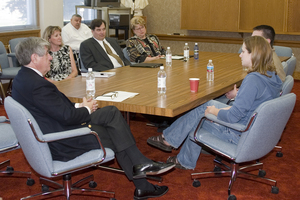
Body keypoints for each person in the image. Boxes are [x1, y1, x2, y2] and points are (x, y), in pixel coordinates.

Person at [12, 37, 175, 199]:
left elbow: (52, 109)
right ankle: (142, 183)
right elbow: (67, 117)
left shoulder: (23, 78)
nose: (50, 56)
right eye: (46, 53)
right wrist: (87, 109)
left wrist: (80, 107)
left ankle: (141, 166)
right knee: (116, 134)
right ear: (34, 58)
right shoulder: (38, 85)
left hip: (55, 126)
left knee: (111, 112)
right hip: (62, 140)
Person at [147, 36, 282, 170]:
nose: (240, 55)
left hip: (239, 131)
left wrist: (214, 111)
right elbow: (262, 95)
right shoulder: (272, 75)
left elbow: (233, 116)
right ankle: (169, 139)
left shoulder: (252, 79)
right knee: (205, 105)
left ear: (254, 54)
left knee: (198, 119)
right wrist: (239, 94)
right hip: (257, 130)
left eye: (243, 51)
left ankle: (180, 156)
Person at [217, 25, 286, 105]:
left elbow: (262, 94)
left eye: (256, 39)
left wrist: (238, 94)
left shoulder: (268, 65)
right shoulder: (268, 59)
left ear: (266, 41)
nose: (251, 41)